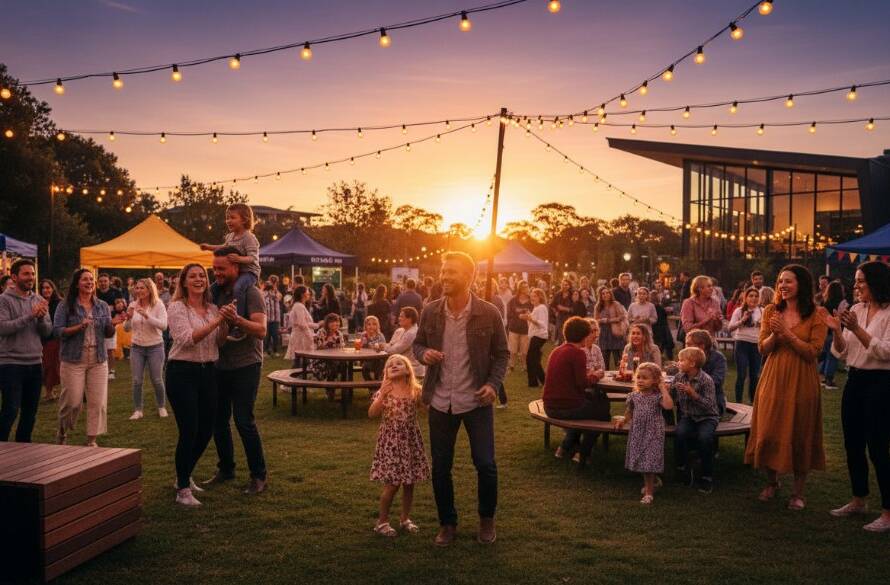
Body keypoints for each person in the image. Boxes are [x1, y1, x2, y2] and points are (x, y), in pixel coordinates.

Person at [413, 251, 509, 547]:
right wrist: (423, 354)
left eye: (451, 272)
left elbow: (503, 354)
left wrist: (493, 384)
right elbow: (418, 344)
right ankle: (447, 523)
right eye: (443, 271)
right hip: (441, 401)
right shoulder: (430, 311)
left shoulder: (488, 312)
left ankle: (486, 520)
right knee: (441, 467)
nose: (444, 277)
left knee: (486, 464)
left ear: (469, 277)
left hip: (476, 401)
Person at [745, 264, 827, 511]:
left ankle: (798, 493)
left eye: (788, 281)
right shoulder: (771, 310)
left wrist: (787, 335)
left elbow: (813, 352)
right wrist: (775, 335)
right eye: (780, 281)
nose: (783, 286)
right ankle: (772, 482)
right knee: (770, 428)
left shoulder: (816, 314)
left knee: (799, 431)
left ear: (801, 284)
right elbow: (762, 348)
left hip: (802, 379)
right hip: (773, 376)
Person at [826, 261, 890, 532]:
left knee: (878, 447)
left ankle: (888, 512)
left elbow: (886, 352)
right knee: (853, 443)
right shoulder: (855, 310)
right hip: (855, 380)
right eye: (856, 281)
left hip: (881, 383)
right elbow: (841, 352)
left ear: (876, 282)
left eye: (861, 281)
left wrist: (857, 330)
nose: (856, 286)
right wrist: (837, 331)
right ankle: (858, 499)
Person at [204, 247, 269, 495]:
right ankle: (226, 468)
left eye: (221, 269)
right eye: (215, 268)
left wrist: (236, 319)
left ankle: (258, 475)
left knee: (243, 420)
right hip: (219, 364)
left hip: (246, 365)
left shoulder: (251, 292)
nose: (217, 273)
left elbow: (261, 330)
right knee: (218, 420)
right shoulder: (213, 292)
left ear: (236, 268)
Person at [166, 263, 228, 506]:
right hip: (182, 372)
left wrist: (224, 324)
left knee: (207, 429)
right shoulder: (176, 308)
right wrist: (216, 322)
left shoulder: (213, 308)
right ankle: (182, 490)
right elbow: (187, 338)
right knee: (189, 429)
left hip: (209, 372)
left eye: (202, 275)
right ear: (183, 282)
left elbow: (219, 342)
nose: (199, 279)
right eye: (193, 276)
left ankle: (183, 474)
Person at [54, 268, 126, 447]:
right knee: (72, 402)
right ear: (77, 283)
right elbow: (57, 331)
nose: (89, 282)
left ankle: (91, 440)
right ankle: (62, 431)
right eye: (85, 279)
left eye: (91, 280)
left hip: (98, 358)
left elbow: (108, 333)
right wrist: (79, 326)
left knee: (98, 402)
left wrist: (114, 324)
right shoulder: (65, 305)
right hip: (73, 359)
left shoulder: (101, 305)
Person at [368, 354, 431, 537]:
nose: (394, 365)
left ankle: (405, 519)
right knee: (393, 484)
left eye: (399, 363)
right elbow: (372, 413)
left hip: (410, 440)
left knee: (409, 482)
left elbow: (426, 408)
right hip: (391, 443)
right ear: (386, 372)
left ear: (408, 369)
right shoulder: (385, 390)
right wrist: (381, 396)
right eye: (390, 365)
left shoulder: (415, 390)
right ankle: (382, 522)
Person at [543, 317, 609, 467]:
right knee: (603, 413)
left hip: (549, 406)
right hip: (565, 408)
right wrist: (595, 375)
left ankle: (565, 446)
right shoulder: (577, 353)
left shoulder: (557, 350)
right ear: (584, 336)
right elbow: (582, 384)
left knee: (595, 402)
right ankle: (582, 453)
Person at [0, 259, 52, 442]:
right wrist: (31, 316)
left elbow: (47, 332)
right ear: (14, 277)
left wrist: (39, 319)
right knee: (11, 410)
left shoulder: (39, 300)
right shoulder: (3, 300)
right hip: (11, 363)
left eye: (32, 274)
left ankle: (24, 448)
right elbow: (3, 328)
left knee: (30, 412)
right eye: (26, 274)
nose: (31, 277)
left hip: (35, 363)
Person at [614, 362, 673, 504]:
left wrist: (663, 389)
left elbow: (669, 406)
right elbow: (630, 413)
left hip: (653, 431)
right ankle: (653, 482)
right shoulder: (634, 396)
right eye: (638, 377)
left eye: (645, 378)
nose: (640, 380)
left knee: (649, 460)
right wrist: (623, 420)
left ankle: (649, 493)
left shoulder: (657, 396)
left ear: (654, 380)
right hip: (638, 431)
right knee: (642, 459)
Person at [200, 203, 261, 340]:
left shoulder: (249, 238)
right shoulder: (230, 237)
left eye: (232, 218)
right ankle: (211, 317)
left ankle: (238, 324)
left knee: (238, 287)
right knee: (212, 289)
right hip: (237, 272)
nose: (228, 221)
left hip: (249, 272)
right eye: (227, 218)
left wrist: (239, 258)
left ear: (244, 219)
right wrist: (209, 247)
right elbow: (223, 248)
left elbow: (253, 258)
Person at [671, 346, 719, 493]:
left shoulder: (706, 380)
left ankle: (706, 476)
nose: (678, 363)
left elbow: (709, 405)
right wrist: (669, 390)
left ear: (692, 364)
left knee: (704, 439)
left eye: (681, 360)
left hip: (707, 417)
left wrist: (693, 394)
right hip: (689, 416)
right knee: (679, 434)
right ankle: (683, 468)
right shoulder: (679, 377)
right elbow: (672, 397)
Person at [123, 278, 168, 421]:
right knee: (137, 380)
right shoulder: (132, 305)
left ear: (149, 290)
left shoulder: (158, 305)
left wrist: (146, 315)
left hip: (155, 346)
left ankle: (161, 407)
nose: (139, 291)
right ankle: (138, 410)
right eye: (137, 288)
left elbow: (164, 326)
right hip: (137, 347)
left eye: (142, 288)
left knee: (156, 379)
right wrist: (128, 318)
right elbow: (126, 328)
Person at [729, 287, 763, 403]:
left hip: (756, 345)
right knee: (741, 375)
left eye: (756, 296)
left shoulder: (762, 311)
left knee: (754, 376)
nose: (754, 298)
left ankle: (752, 403)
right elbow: (730, 328)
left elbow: (768, 329)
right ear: (746, 298)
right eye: (751, 296)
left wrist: (762, 324)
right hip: (742, 344)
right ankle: (738, 403)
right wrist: (742, 320)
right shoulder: (739, 310)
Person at [684, 329, 727, 414]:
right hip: (690, 402)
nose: (686, 347)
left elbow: (716, 381)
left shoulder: (718, 358)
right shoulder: (686, 357)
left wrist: (693, 383)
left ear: (701, 346)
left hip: (712, 403)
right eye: (686, 344)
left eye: (689, 344)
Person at [819, 280, 848, 390]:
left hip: (825, 333)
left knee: (827, 355)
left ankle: (824, 377)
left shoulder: (824, 302)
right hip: (835, 333)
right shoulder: (842, 303)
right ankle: (829, 380)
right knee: (833, 357)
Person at [96, 273, 124, 380]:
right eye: (101, 281)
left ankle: (111, 371)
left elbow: (121, 308)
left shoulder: (116, 292)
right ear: (98, 283)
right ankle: (99, 370)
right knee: (97, 348)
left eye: (105, 281)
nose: (103, 283)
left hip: (110, 324)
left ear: (109, 282)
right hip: (97, 324)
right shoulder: (95, 292)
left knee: (110, 349)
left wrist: (119, 307)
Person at [39, 279, 63, 402]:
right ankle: (50, 391)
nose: (46, 290)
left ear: (53, 289)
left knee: (51, 366)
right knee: (46, 366)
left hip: (54, 339)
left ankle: (49, 392)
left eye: (48, 287)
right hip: (41, 339)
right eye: (43, 288)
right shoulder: (38, 302)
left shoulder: (59, 303)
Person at [384, 307, 425, 378]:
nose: (399, 318)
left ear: (410, 319)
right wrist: (389, 347)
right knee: (386, 370)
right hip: (401, 366)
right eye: (399, 316)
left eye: (401, 316)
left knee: (388, 371)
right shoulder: (400, 331)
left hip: (412, 368)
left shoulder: (412, 333)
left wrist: (383, 346)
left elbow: (394, 351)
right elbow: (391, 345)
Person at [594, 287, 628, 369]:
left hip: (615, 332)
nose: (605, 295)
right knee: (604, 359)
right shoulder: (598, 306)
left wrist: (608, 320)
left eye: (607, 293)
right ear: (600, 296)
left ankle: (620, 375)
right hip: (603, 334)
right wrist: (601, 321)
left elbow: (622, 317)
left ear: (610, 294)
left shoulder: (616, 304)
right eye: (603, 293)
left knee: (618, 359)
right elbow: (596, 320)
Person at [523, 288, 549, 388]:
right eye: (531, 296)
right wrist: (528, 317)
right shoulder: (536, 308)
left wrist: (530, 318)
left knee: (531, 359)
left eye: (534, 296)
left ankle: (539, 381)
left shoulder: (541, 307)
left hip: (539, 336)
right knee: (533, 359)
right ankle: (535, 382)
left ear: (540, 297)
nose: (532, 298)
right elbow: (532, 324)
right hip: (536, 336)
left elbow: (541, 323)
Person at [284, 286, 316, 365]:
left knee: (301, 363)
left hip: (301, 337)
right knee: (299, 364)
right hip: (300, 338)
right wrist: (311, 337)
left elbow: (304, 323)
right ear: (302, 294)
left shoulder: (299, 306)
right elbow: (302, 324)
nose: (309, 293)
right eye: (307, 292)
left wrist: (317, 325)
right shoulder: (299, 306)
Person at [505, 281, 533, 372]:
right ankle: (511, 365)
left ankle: (524, 366)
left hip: (526, 329)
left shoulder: (531, 301)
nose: (526, 289)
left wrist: (528, 316)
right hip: (514, 328)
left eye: (527, 286)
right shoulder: (513, 300)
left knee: (524, 350)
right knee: (512, 349)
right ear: (520, 289)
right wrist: (516, 318)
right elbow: (509, 313)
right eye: (524, 287)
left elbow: (534, 313)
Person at [360, 315, 387, 381]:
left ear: (377, 326)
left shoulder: (380, 335)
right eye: (369, 324)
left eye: (374, 324)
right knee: (364, 369)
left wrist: (379, 346)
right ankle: (372, 386)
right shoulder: (364, 335)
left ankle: (377, 383)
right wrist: (363, 344)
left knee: (380, 365)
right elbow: (360, 348)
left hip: (378, 359)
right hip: (367, 359)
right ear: (365, 326)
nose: (371, 326)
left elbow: (384, 347)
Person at [650, 290, 675, 360]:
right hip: (662, 329)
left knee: (659, 347)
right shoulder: (658, 307)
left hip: (657, 329)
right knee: (665, 346)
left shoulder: (653, 307)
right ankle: (669, 360)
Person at [263, 279, 283, 357]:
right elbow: (263, 298)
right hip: (267, 318)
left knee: (275, 335)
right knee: (266, 336)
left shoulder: (277, 293)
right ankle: (266, 351)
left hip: (275, 318)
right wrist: (267, 292)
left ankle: (275, 351)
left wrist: (274, 291)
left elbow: (279, 298)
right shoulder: (263, 294)